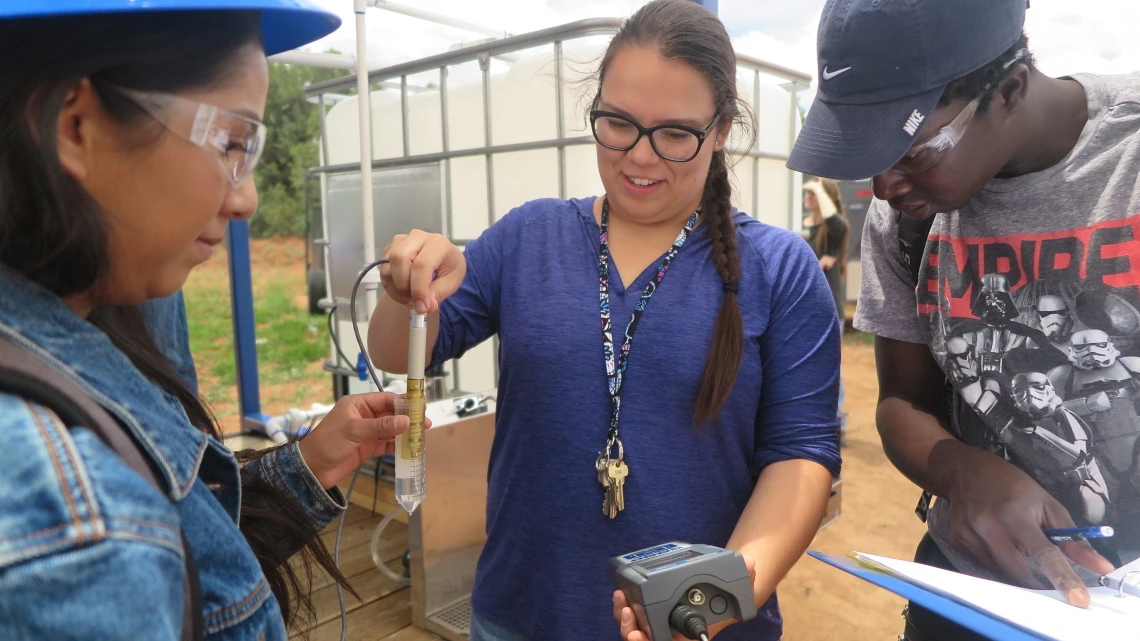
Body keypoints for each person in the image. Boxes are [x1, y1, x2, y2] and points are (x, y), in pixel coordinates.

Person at [367, 1, 842, 639]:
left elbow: (800, 456)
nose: (640, 157)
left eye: (675, 134)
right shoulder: (529, 236)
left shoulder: (780, 269)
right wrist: (407, 290)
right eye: (618, 123)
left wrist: (711, 600)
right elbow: (403, 352)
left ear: (722, 129)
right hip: (522, 615)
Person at [0, 2, 419, 638]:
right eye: (231, 142)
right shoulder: (70, 522)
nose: (246, 198)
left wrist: (309, 467)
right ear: (77, 126)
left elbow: (190, 549)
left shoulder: (87, 337)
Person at [787, 0, 1140, 639]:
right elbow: (902, 400)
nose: (884, 186)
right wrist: (958, 468)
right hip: (970, 594)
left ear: (1007, 90)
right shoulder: (909, 217)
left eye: (910, 150)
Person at [802, 178, 851, 446]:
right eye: (808, 192)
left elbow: (838, 224)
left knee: (831, 365)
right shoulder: (807, 229)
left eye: (813, 193)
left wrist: (820, 186)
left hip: (828, 308)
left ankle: (838, 424)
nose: (807, 196)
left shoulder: (833, 230)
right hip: (804, 309)